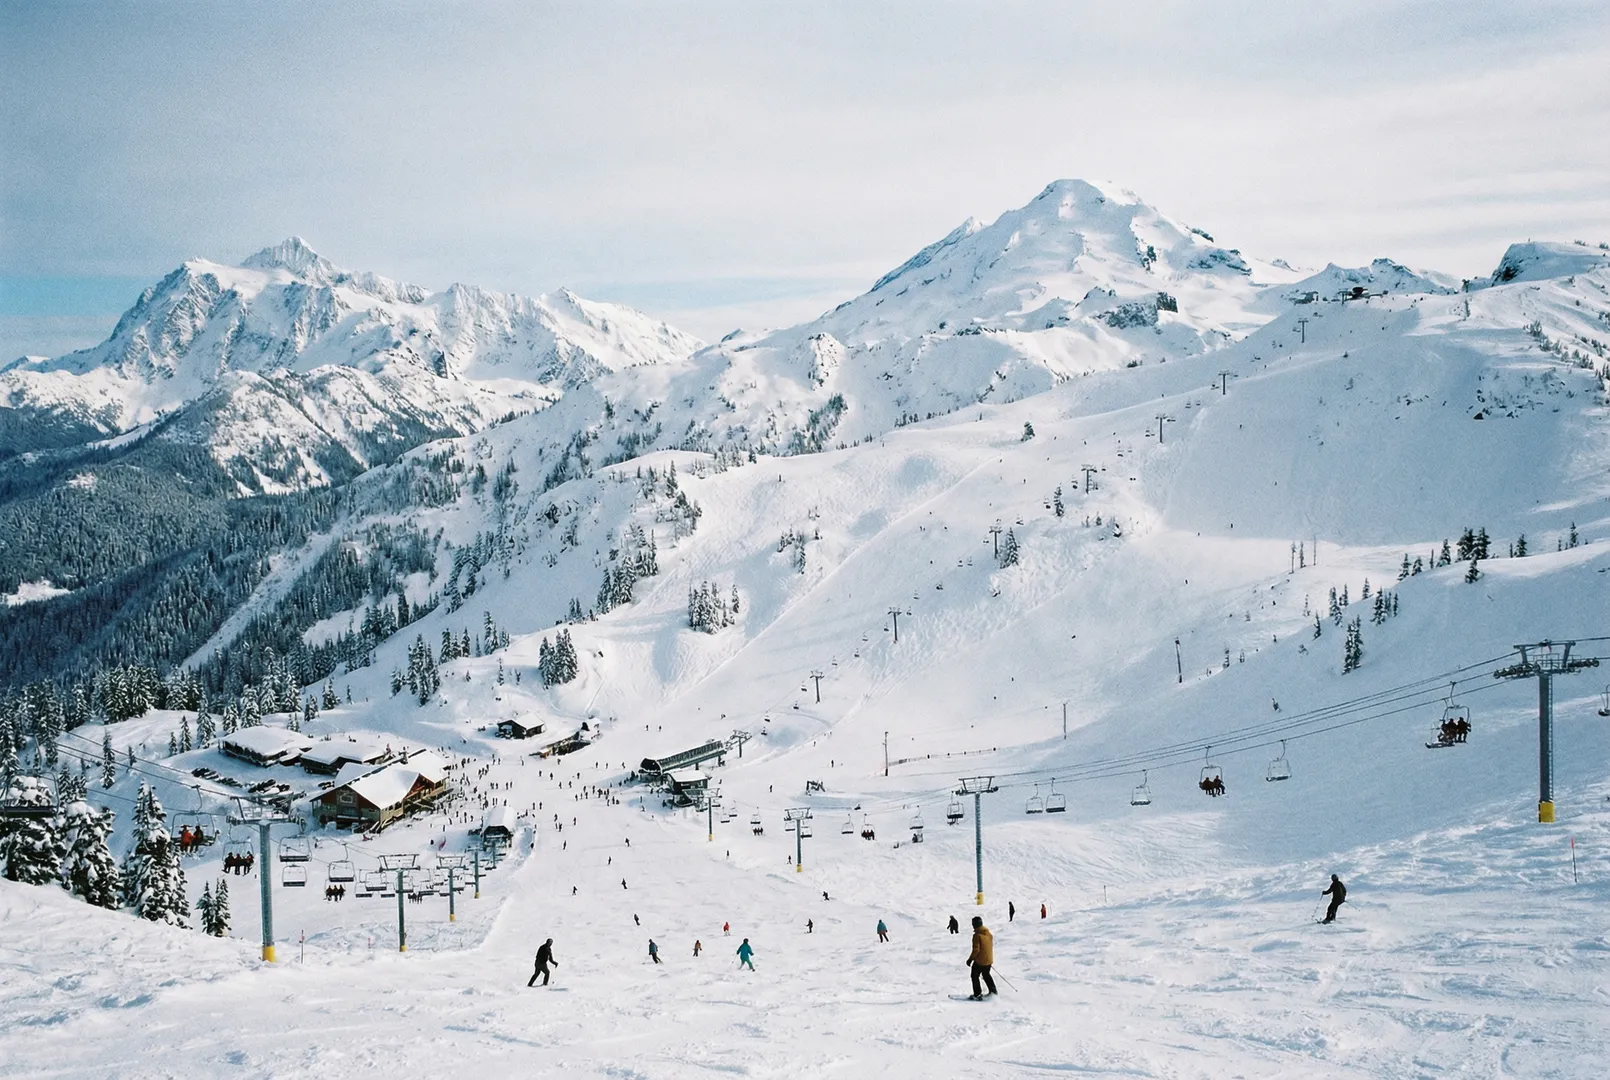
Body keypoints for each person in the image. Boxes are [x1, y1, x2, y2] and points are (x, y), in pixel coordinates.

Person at [966, 916, 996, 999]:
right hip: (989, 960)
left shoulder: (977, 935)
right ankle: (993, 992)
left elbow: (976, 950)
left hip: (981, 961)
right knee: (986, 974)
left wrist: (970, 959)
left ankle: (977, 994)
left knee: (974, 975)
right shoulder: (988, 934)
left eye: (973, 924)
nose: (972, 926)